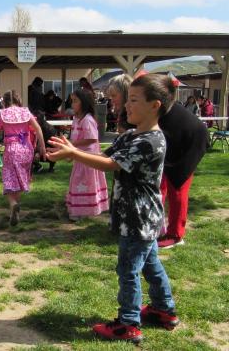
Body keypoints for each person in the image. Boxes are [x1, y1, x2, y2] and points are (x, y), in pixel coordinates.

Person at [47, 73, 179, 343]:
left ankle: (128, 323)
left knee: (128, 269)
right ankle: (163, 309)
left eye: (134, 100)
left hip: (138, 218)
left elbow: (111, 166)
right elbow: (105, 156)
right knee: (151, 264)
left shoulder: (151, 141)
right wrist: (73, 148)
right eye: (127, 99)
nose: (126, 105)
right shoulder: (131, 135)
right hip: (142, 218)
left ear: (155, 105)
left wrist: (73, 153)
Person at [158, 94, 209, 248]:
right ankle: (155, 226)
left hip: (189, 143)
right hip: (172, 143)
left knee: (178, 187)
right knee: (159, 186)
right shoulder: (148, 107)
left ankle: (176, 235)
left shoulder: (153, 105)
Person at [0, 90, 46, 226]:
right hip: (27, 150)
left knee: (9, 178)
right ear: (18, 100)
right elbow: (38, 128)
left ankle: (13, 203)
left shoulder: (2, 114)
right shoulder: (26, 112)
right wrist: (42, 147)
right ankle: (14, 212)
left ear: (4, 102)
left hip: (11, 150)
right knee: (20, 178)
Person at [65, 89, 109, 221]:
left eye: (75, 101)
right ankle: (79, 208)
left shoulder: (87, 120)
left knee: (83, 182)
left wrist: (73, 144)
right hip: (80, 156)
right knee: (79, 181)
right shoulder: (77, 119)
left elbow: (92, 138)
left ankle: (82, 210)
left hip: (87, 158)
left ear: (83, 103)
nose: (72, 104)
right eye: (72, 101)